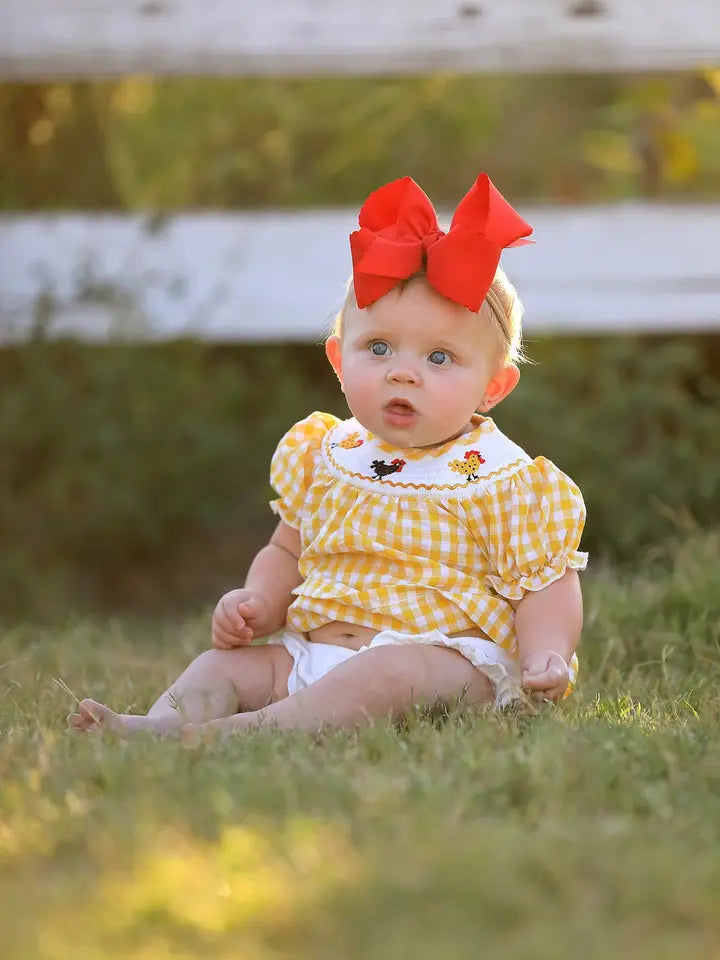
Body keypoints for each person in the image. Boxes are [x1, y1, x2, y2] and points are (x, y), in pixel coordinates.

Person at [69, 173, 587, 740]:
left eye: (439, 357)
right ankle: (159, 725)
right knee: (225, 667)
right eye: (379, 347)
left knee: (390, 670)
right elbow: (287, 547)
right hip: (310, 657)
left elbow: (546, 586)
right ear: (340, 361)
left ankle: (243, 734)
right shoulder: (325, 453)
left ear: (493, 387)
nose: (402, 371)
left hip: (445, 666)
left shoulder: (500, 478)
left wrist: (548, 653)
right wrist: (259, 601)